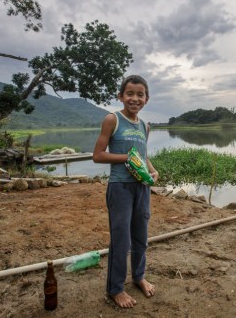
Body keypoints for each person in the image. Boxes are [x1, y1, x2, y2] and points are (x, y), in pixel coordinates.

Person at [93, 75, 159, 308]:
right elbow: (98, 155)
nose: (135, 98)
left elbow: (144, 155)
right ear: (121, 96)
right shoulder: (113, 120)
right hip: (119, 188)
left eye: (140, 94)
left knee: (141, 238)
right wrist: (128, 159)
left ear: (146, 99)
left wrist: (152, 171)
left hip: (141, 188)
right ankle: (116, 289)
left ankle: (139, 277)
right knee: (121, 240)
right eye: (130, 93)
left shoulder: (144, 126)